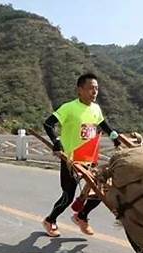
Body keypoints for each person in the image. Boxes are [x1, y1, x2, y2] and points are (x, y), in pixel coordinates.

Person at [41, 73, 120, 237]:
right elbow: (48, 124)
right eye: (91, 88)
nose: (94, 92)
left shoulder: (96, 108)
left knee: (100, 192)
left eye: (96, 88)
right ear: (80, 90)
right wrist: (56, 141)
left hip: (90, 159)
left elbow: (103, 124)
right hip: (70, 160)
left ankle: (81, 216)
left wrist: (114, 137)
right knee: (68, 196)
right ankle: (50, 220)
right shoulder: (69, 107)